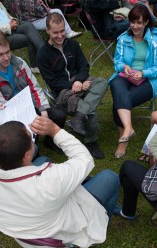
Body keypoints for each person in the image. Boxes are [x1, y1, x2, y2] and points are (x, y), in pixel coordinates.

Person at [0, 117, 119, 248]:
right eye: (31, 139)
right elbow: (85, 159)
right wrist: (55, 131)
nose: (33, 141)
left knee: (43, 160)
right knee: (109, 177)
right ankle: (102, 223)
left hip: (27, 237)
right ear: (27, 155)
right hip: (58, 242)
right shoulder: (50, 181)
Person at [0, 30, 66, 153]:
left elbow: (34, 87)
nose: (6, 58)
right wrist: (28, 123)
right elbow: (3, 108)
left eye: (8, 52)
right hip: (11, 116)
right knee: (27, 147)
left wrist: (43, 110)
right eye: (0, 55)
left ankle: (49, 141)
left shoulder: (19, 63)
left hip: (30, 106)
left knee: (59, 116)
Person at [37, 13, 108, 159]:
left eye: (62, 30)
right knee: (91, 111)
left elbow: (84, 66)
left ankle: (79, 117)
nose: (60, 35)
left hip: (81, 83)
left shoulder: (73, 45)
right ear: (47, 31)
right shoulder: (42, 54)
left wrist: (80, 81)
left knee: (102, 82)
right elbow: (52, 83)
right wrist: (73, 85)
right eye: (55, 32)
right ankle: (91, 141)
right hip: (63, 93)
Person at [109, 5, 157, 159]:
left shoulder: (155, 40)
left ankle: (124, 138)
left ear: (146, 22)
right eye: (132, 22)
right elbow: (117, 62)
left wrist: (143, 73)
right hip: (127, 75)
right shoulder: (124, 38)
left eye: (139, 23)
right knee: (115, 84)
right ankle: (127, 130)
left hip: (150, 80)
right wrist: (124, 67)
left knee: (119, 101)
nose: (135, 26)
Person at [0, 0, 44, 73]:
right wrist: (8, 27)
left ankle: (45, 53)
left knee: (28, 25)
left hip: (11, 29)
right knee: (30, 39)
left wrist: (13, 20)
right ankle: (35, 65)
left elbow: (8, 16)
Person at [12, 0, 82, 38]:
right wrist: (43, 6)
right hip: (31, 22)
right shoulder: (25, 2)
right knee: (54, 19)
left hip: (35, 17)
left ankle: (68, 33)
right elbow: (40, 12)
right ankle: (62, 37)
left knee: (57, 11)